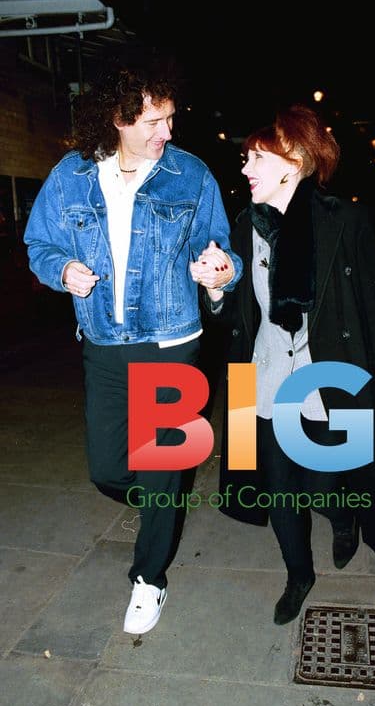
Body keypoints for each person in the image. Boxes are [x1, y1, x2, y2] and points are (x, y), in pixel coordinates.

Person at [24, 56, 241, 636]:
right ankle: (161, 500)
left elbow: (223, 250)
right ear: (117, 118)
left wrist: (219, 273)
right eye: (153, 121)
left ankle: (150, 579)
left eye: (170, 119)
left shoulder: (189, 175)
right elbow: (39, 244)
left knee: (162, 466)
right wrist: (62, 268)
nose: (166, 133)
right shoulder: (70, 175)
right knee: (108, 469)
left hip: (172, 341)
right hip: (103, 341)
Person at [214, 104, 375, 625]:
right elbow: (237, 307)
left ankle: (344, 520)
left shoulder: (346, 221)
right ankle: (299, 573)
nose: (247, 169)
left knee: (330, 478)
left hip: (329, 376)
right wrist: (214, 288)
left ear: (293, 161)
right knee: (278, 489)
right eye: (247, 158)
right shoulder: (244, 226)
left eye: (257, 157)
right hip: (265, 376)